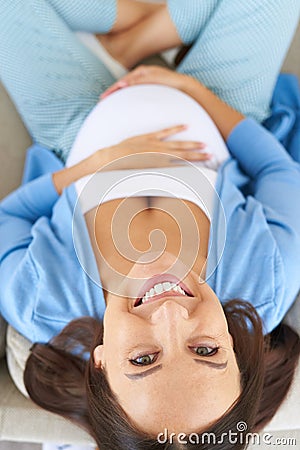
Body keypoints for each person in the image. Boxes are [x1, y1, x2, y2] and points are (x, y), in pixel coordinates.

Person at [0, 1, 300, 449]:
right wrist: (195, 93)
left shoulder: (39, 300)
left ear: (100, 364)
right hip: (211, 103)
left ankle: (132, 32)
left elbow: (10, 217)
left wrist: (91, 165)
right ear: (235, 352)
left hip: (78, 123)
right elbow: (279, 172)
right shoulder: (269, 281)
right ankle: (143, 39)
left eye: (143, 358)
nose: (171, 314)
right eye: (205, 350)